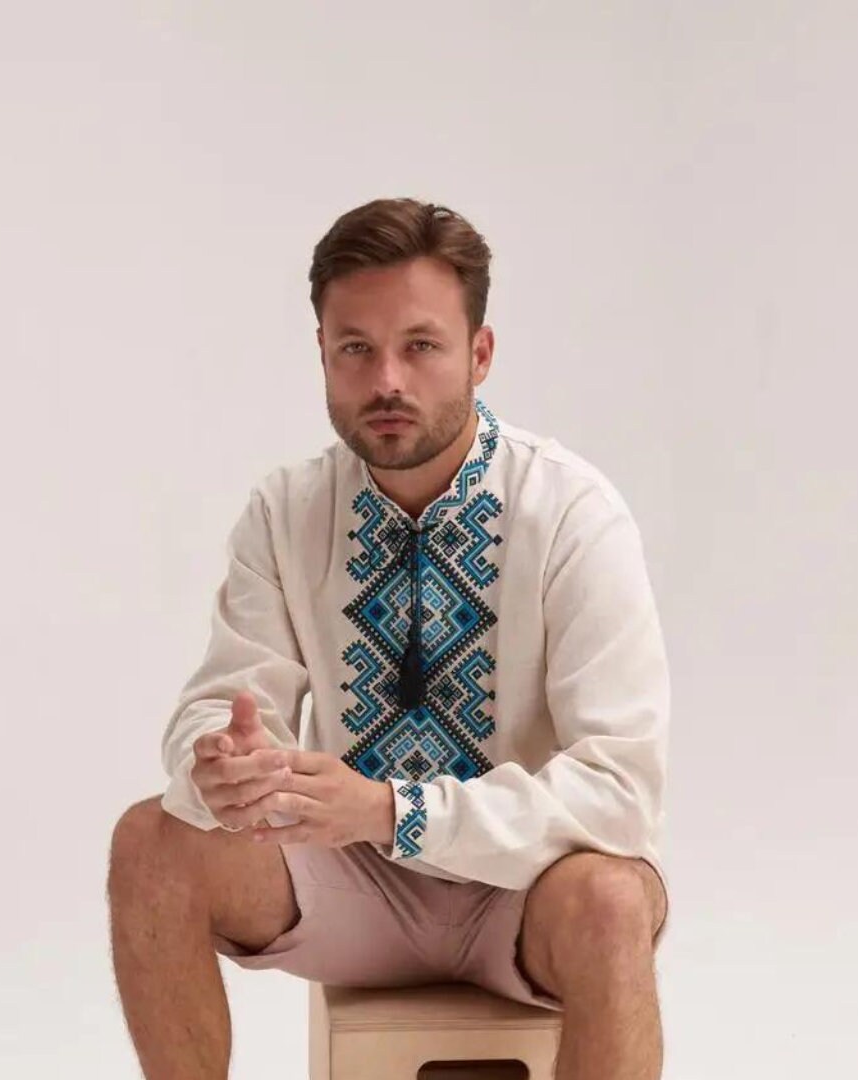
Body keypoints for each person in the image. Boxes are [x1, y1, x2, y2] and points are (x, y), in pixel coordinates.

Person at [107, 197, 672, 1080]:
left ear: (480, 354)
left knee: (610, 896)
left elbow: (620, 791)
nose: (387, 383)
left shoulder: (571, 513)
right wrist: (217, 763)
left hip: (526, 898)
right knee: (150, 840)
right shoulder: (287, 511)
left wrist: (392, 811)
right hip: (348, 893)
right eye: (356, 349)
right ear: (323, 356)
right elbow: (220, 702)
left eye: (421, 345)